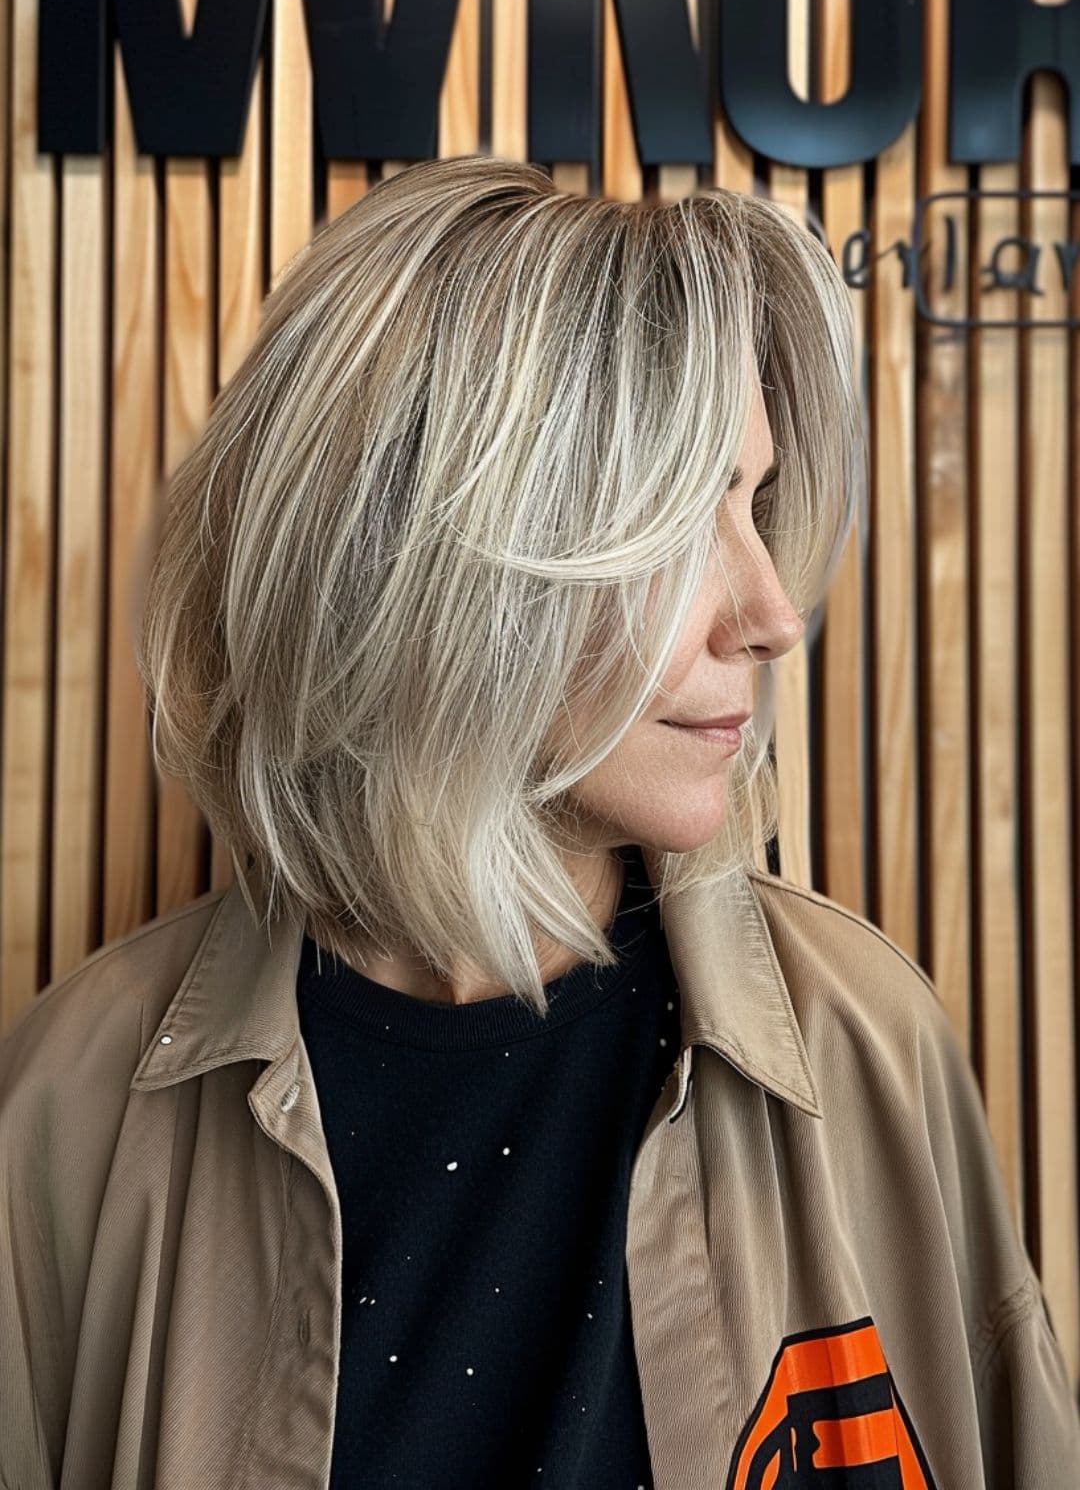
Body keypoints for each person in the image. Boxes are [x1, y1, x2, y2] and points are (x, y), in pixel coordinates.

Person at [1, 155, 1077, 1490]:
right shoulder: (70, 1112)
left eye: (753, 501)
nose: (774, 612)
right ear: (431, 566)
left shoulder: (866, 1045)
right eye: (683, 525)